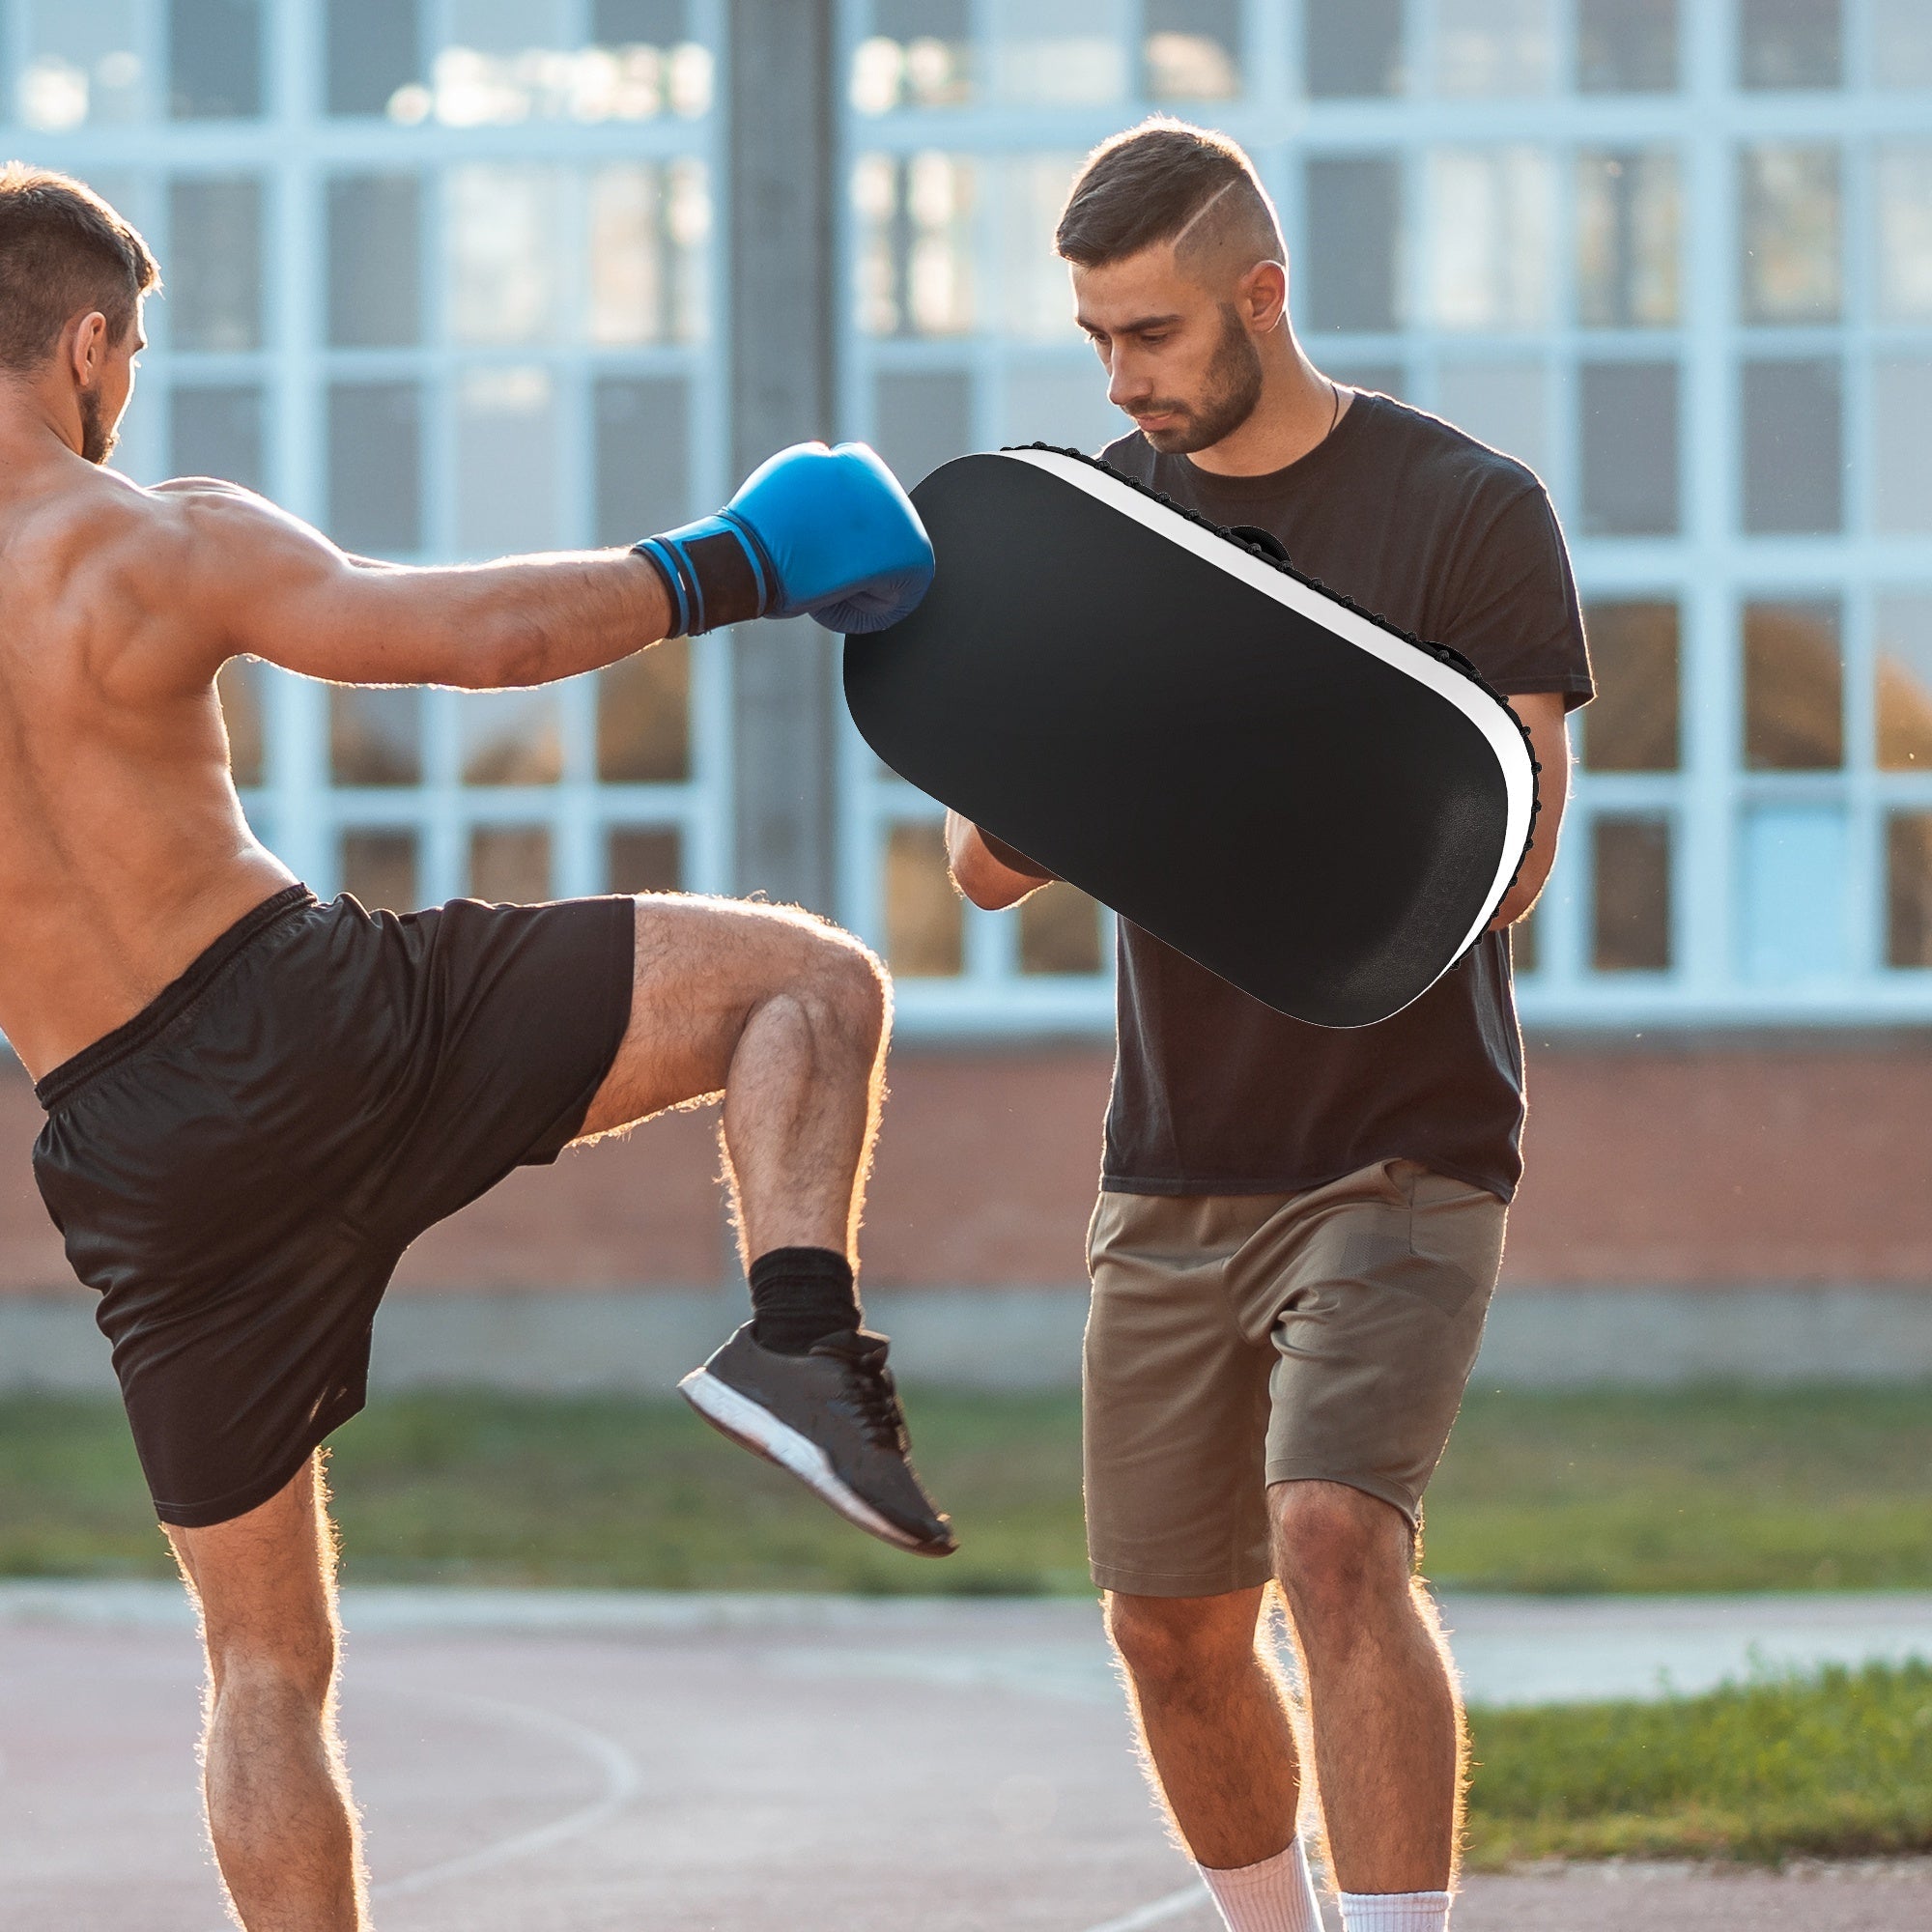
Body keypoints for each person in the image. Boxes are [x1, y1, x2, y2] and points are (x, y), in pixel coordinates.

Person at [0, 162, 951, 1932]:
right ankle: (799, 1340)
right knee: (806, 987)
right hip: (317, 1024)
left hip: (126, 1152)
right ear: (84, 344)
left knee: (261, 1670)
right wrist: (734, 565)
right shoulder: (143, 536)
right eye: (124, 360)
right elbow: (483, 638)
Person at [949, 122, 1592, 1932]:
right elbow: (985, 864)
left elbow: (1520, 847)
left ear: (1263, 295)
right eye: (1092, 340)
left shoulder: (1466, 509)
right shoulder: (1105, 529)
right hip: (1172, 1157)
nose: (1121, 378)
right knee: (1165, 1624)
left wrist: (1274, 767)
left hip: (1406, 1138)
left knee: (1333, 1536)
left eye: (1150, 333)